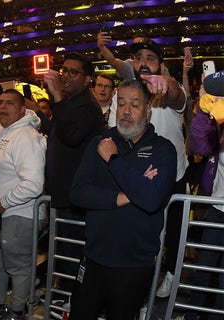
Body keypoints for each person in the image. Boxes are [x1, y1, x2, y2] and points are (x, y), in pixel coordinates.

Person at [69, 79, 176, 318]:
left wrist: (114, 161)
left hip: (134, 265)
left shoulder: (163, 150)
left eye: (135, 105)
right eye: (122, 103)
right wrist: (125, 196)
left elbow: (151, 200)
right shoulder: (101, 143)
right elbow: (77, 193)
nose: (126, 111)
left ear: (148, 111)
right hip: (93, 258)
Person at [107, 39, 189, 299]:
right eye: (139, 57)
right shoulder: (123, 96)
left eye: (150, 58)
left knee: (173, 235)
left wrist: (168, 84)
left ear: (160, 66)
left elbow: (176, 94)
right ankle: (139, 292)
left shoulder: (168, 93)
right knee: (141, 238)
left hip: (173, 179)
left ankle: (171, 273)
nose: (143, 62)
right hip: (136, 181)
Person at [43, 52, 105, 302]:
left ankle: (74, 302)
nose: (65, 76)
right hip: (63, 196)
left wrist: (57, 96)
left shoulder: (87, 106)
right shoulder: (69, 103)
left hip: (76, 200)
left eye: (73, 72)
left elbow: (71, 136)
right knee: (64, 252)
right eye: (64, 70)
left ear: (87, 79)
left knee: (75, 254)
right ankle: (65, 297)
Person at [0, 89, 46, 319]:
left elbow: (34, 183)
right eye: (0, 103)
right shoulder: (8, 132)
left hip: (19, 215)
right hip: (3, 214)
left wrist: (5, 202)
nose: (3, 107)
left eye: (9, 103)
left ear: (22, 109)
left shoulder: (26, 136)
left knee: (18, 268)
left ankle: (17, 311)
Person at [186, 69, 224, 319]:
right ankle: (192, 316)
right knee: (204, 270)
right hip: (218, 210)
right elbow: (198, 146)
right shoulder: (218, 118)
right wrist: (203, 111)